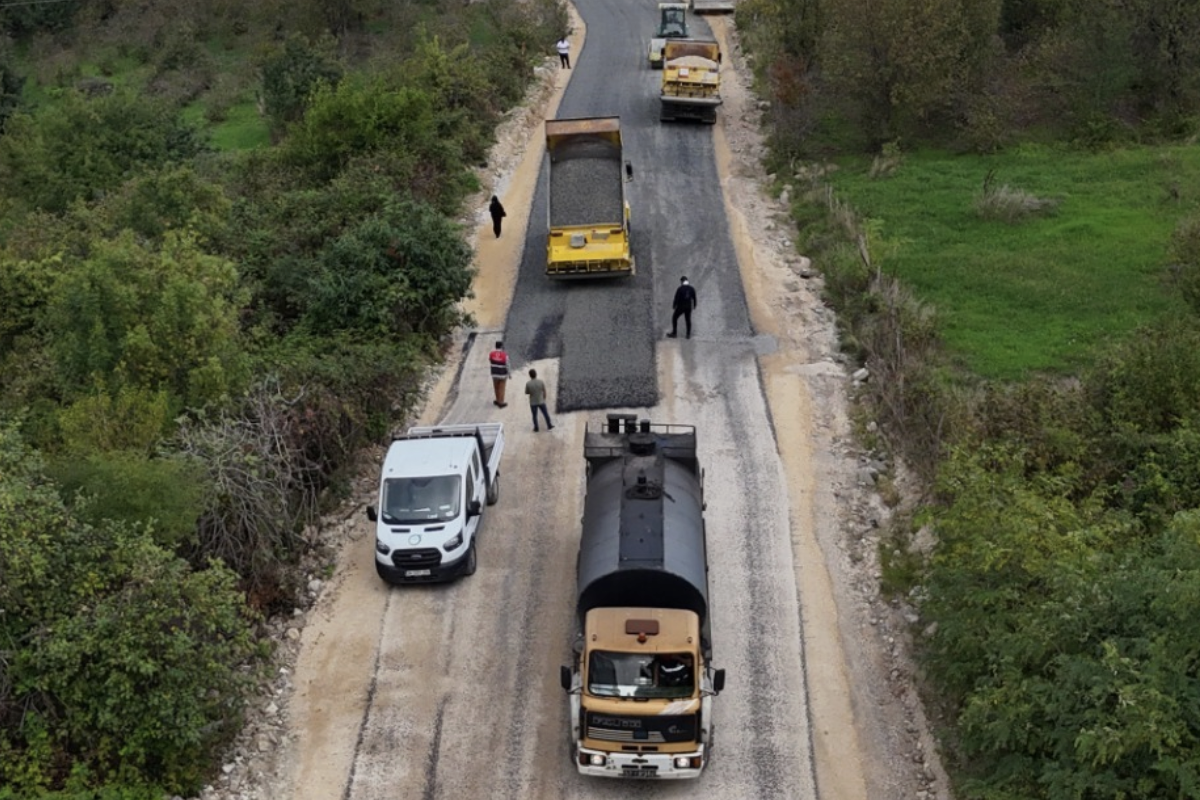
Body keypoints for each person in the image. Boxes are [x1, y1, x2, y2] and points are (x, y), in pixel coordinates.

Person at [488, 341, 510, 407]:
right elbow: (508, 365)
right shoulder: (505, 355)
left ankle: (497, 400)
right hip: (502, 374)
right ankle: (501, 403)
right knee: (502, 388)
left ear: (495, 346)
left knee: (496, 387)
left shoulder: (491, 354)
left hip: (494, 373)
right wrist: (509, 374)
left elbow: (490, 361)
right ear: (501, 346)